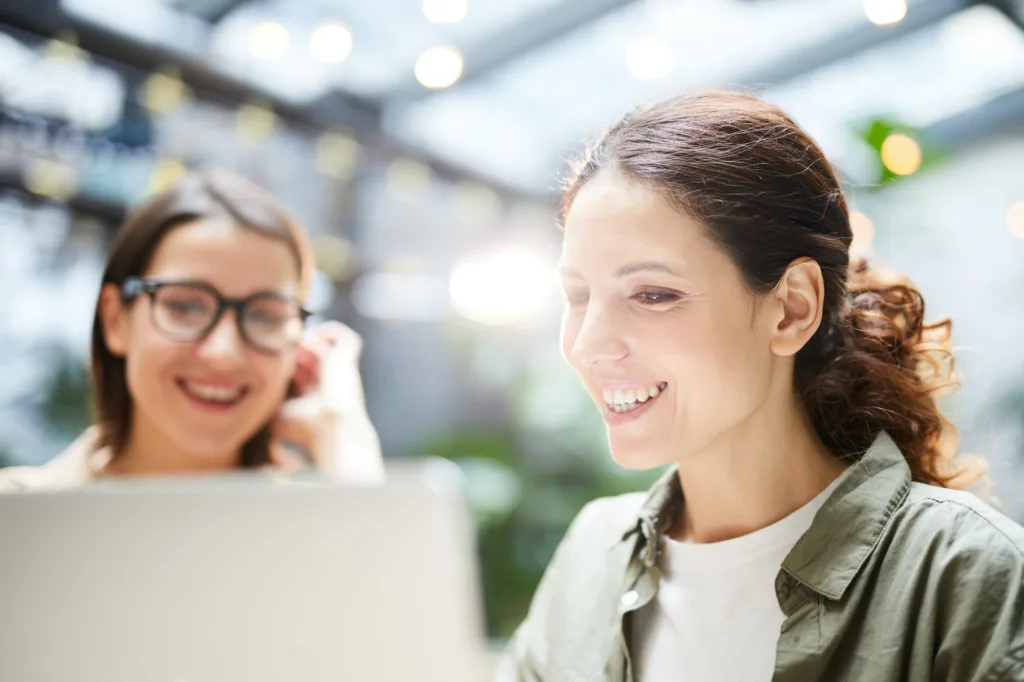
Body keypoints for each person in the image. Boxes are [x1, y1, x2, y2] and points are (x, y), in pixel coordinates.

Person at [496, 91, 1024, 681]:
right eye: (578, 297)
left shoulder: (963, 574)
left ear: (792, 309)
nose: (589, 345)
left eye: (652, 294)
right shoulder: (592, 555)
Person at [0, 169, 382, 490]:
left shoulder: (320, 532)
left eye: (265, 315)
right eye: (185, 306)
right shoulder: (14, 520)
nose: (224, 352)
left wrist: (341, 431)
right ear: (115, 320)